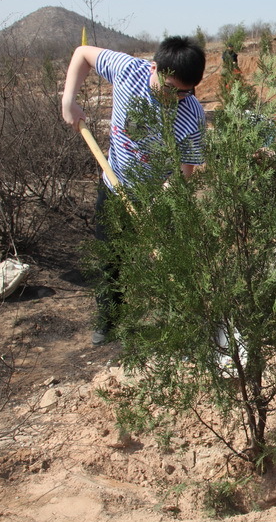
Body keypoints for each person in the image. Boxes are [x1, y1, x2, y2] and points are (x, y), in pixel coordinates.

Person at [60, 37, 206, 346]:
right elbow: (82, 54)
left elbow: (185, 171)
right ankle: (110, 318)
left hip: (159, 195)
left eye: (186, 91)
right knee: (109, 257)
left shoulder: (192, 114)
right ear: (153, 68)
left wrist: (160, 200)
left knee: (167, 259)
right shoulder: (128, 71)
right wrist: (68, 100)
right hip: (114, 185)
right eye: (171, 88)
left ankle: (178, 321)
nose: (178, 98)